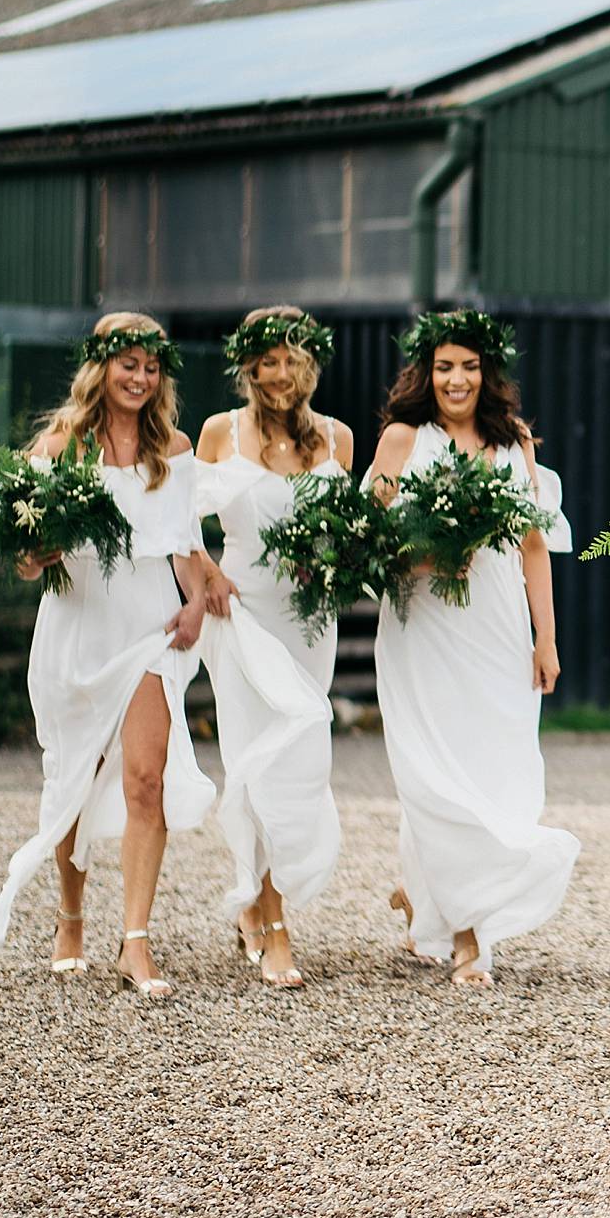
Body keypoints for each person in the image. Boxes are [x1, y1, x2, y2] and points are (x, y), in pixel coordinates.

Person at [0, 313, 223, 996]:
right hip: (78, 627)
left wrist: (196, 601)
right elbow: (26, 561)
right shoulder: (62, 444)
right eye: (129, 365)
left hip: (148, 626)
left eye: (151, 368)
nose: (141, 378)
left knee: (147, 780)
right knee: (74, 781)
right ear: (101, 367)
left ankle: (137, 943)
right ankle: (70, 916)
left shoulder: (172, 448)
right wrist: (36, 552)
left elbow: (184, 540)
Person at [367, 308, 578, 987]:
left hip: (496, 622)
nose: (457, 379)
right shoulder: (403, 438)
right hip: (424, 624)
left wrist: (546, 636)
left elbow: (535, 542)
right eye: (444, 366)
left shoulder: (515, 441)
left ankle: (429, 894)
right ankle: (467, 934)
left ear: (487, 373)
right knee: (435, 765)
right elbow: (368, 545)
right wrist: (427, 558)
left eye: (469, 366)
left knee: (496, 762)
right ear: (425, 373)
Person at [193, 307, 353, 990]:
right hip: (243, 611)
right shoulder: (219, 432)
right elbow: (181, 520)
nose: (277, 373)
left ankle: (262, 901)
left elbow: (351, 529)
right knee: (253, 760)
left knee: (299, 757)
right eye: (264, 361)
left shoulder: (339, 439)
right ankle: (274, 919)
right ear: (247, 366)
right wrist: (210, 576)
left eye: (289, 359)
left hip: (309, 621)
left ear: (308, 363)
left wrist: (334, 562)